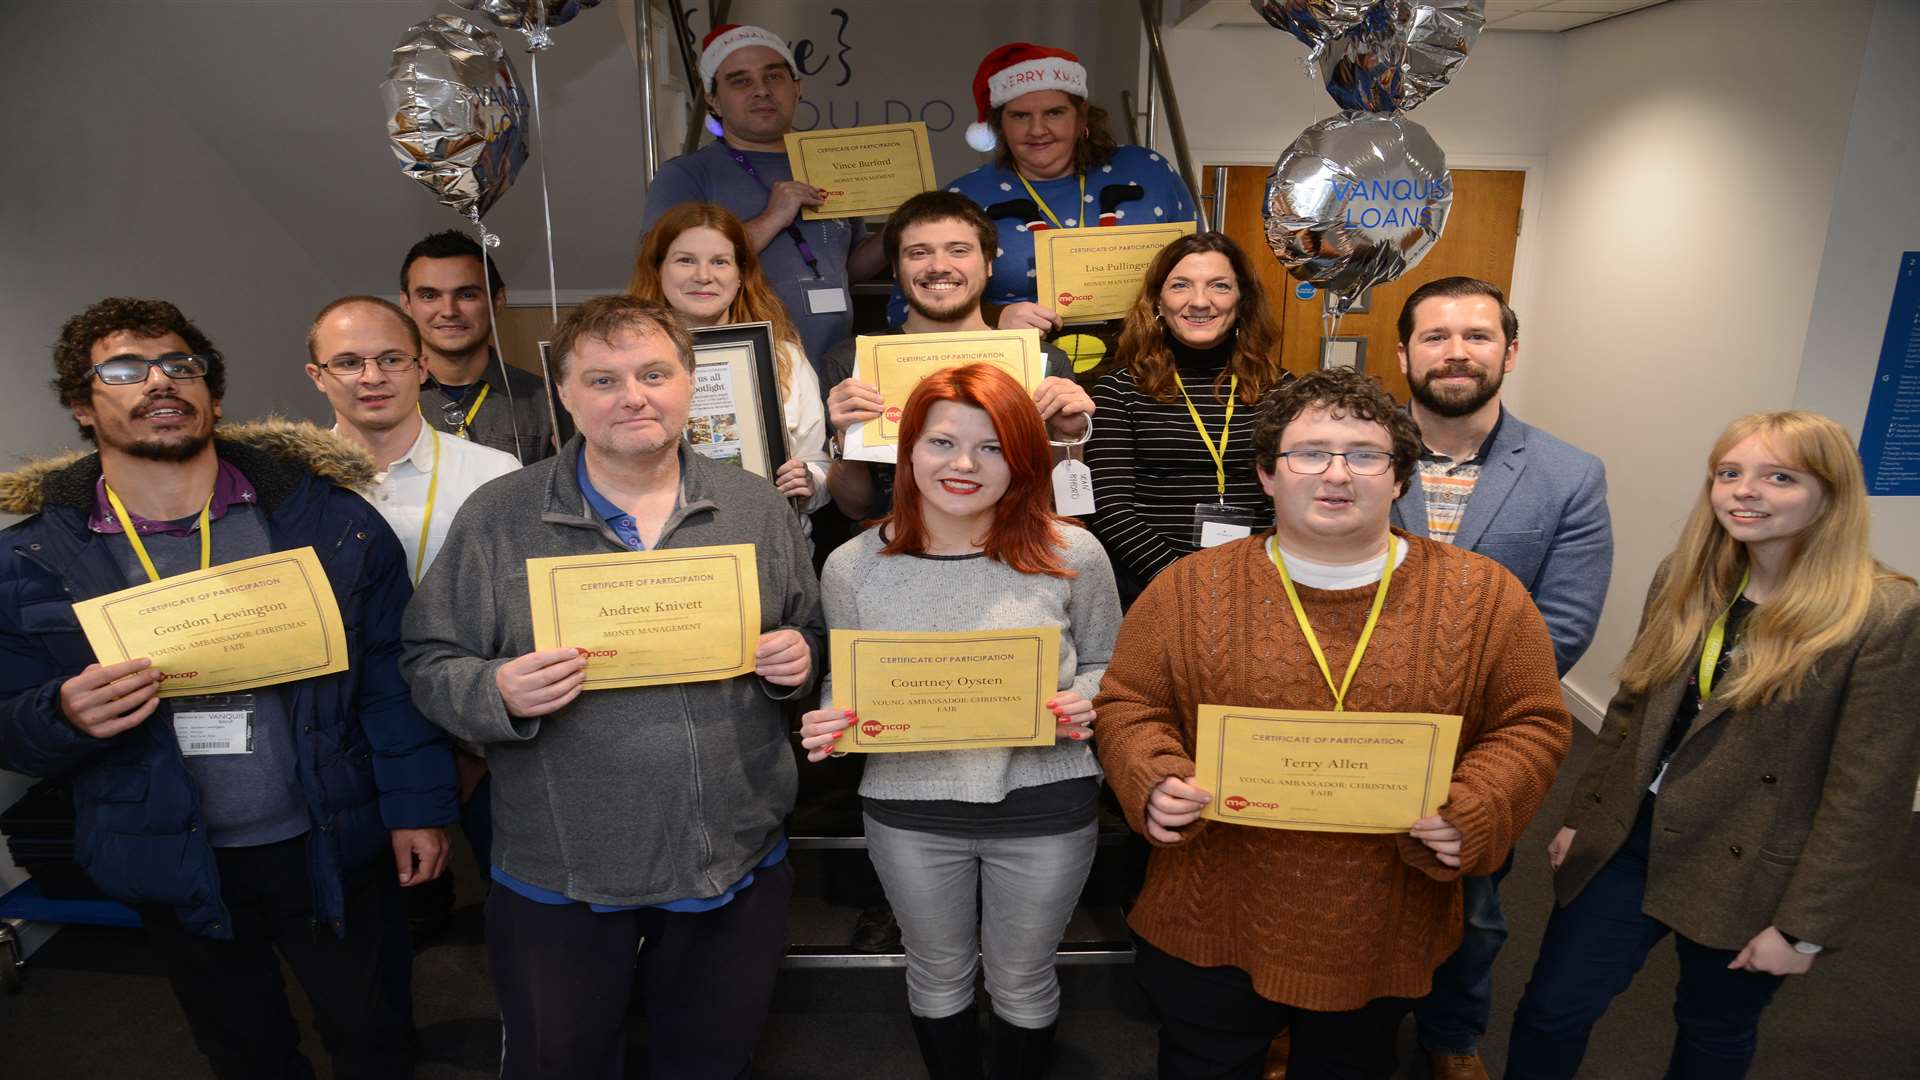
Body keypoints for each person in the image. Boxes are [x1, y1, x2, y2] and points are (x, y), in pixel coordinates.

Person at [0, 297, 457, 1079]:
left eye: (182, 365)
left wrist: (418, 806)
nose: (160, 382)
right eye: (123, 369)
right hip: (173, 853)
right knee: (245, 1050)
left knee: (374, 1033)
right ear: (82, 404)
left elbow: (391, 673)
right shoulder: (33, 558)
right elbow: (9, 723)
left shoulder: (326, 521)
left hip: (329, 837)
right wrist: (62, 712)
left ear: (212, 394)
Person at [1094, 368, 1572, 1080]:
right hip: (1214, 909)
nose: (1337, 473)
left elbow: (1531, 722)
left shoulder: (1484, 596)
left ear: (1400, 477)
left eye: (1365, 454)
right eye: (1309, 452)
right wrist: (1152, 777)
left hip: (1378, 919)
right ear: (1266, 473)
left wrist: (1475, 808)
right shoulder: (1188, 588)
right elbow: (1129, 703)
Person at [399, 295, 824, 1080]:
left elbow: (812, 633)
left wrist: (802, 660)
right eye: (603, 379)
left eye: (653, 372)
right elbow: (428, 660)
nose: (633, 395)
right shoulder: (501, 517)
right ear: (564, 393)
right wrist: (497, 692)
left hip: (729, 855)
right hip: (562, 869)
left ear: (690, 381)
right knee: (558, 1064)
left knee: (708, 1062)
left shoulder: (755, 508)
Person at [1506, 411, 1920, 1080]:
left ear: (1831, 491)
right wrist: (1585, 814)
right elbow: (1632, 711)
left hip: (1754, 863)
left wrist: (1802, 927)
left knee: (1713, 1030)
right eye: (1730, 473)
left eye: (1778, 476)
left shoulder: (1882, 613)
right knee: (1553, 1008)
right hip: (1630, 837)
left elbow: (1869, 795)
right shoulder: (1689, 575)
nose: (1744, 491)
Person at [798, 363, 1121, 1079]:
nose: (964, 465)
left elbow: (1107, 665)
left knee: (1023, 977)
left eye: (993, 447)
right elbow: (840, 681)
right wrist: (828, 718)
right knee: (937, 971)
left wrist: (1088, 698)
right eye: (942, 443)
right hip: (911, 808)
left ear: (1024, 457)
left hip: (1045, 803)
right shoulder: (854, 566)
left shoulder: (1073, 553)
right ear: (907, 451)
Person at [1389, 277, 1613, 1080]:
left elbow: (1565, 625)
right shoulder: (1354, 452)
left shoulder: (1568, 474)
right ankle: (1315, 1023)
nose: (1456, 352)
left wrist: (1465, 719)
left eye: (1477, 336)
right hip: (1358, 721)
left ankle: (1452, 1036)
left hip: (1487, 740)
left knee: (1474, 908)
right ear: (1404, 350)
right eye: (1436, 335)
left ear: (1509, 352)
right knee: (1339, 889)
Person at [304, 294, 522, 937]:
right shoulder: (290, 486)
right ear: (316, 376)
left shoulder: (492, 474)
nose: (372, 377)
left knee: (517, 905)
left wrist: (474, 743)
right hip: (352, 734)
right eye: (348, 362)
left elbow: (517, 611)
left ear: (422, 366)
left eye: (391, 358)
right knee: (375, 924)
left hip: (475, 727)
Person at [912, 42, 1201, 369]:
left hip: (1151, 369)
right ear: (999, 125)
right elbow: (909, 309)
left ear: (1081, 116)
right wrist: (995, 318)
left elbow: (1205, 267)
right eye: (1020, 115)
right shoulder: (965, 196)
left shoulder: (1148, 170)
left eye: (1054, 112)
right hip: (1021, 372)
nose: (1037, 130)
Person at [823, 190, 1095, 523]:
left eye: (959, 250)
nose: (939, 267)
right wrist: (843, 439)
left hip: (1014, 545)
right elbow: (856, 507)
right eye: (918, 253)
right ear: (895, 268)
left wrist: (1068, 438)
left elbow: (1064, 504)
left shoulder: (1044, 361)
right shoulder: (851, 361)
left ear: (989, 263)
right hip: (893, 552)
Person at [640, 24, 885, 371]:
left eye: (774, 77)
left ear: (797, 88)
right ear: (713, 99)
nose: (761, 91)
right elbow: (664, 268)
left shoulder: (828, 162)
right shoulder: (685, 175)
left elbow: (848, 268)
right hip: (736, 368)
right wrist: (773, 217)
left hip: (835, 362)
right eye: (740, 81)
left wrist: (898, 235)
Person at [1085, 231, 1291, 606]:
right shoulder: (1118, 390)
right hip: (1149, 590)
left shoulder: (1283, 390)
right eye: (1181, 285)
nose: (1200, 302)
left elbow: (1295, 500)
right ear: (1158, 302)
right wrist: (1186, 583)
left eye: (1219, 286)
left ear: (1242, 301)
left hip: (1262, 587)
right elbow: (1110, 508)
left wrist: (1252, 578)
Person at [629, 202, 831, 541]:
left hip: (769, 543)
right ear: (658, 269)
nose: (703, 276)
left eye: (720, 262)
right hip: (658, 549)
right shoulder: (623, 362)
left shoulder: (784, 358)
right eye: (685, 260)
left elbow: (819, 466)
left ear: (741, 276)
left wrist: (809, 482)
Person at [400, 229, 555, 464]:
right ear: (407, 304)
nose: (449, 311)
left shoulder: (546, 401)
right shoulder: (382, 396)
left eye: (467, 295)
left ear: (498, 300)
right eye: (430, 296)